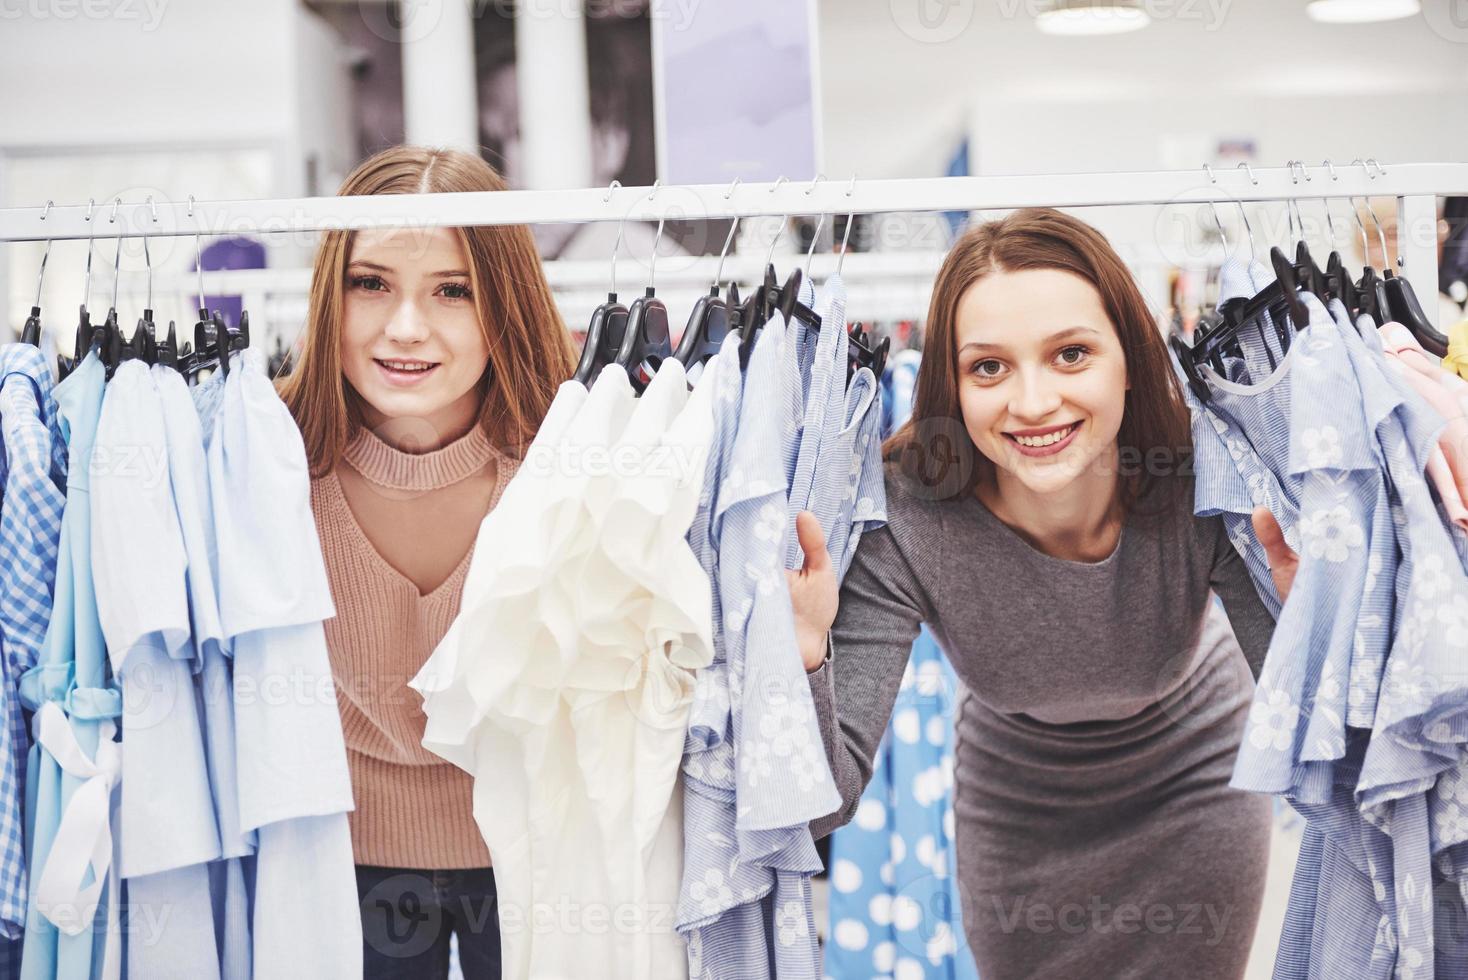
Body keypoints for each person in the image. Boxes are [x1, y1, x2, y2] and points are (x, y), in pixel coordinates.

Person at [786, 208, 1300, 978]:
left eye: (1070, 354)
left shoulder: (1198, 473)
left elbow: (1324, 759)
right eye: (988, 367)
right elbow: (818, 807)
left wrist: (1306, 615)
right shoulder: (905, 511)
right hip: (1016, 812)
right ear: (952, 385)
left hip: (1194, 785)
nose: (1031, 404)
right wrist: (804, 657)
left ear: (1129, 356)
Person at [277, 146, 578, 979]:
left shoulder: (575, 467)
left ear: (503, 305)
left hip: (541, 863)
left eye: (453, 290)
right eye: (370, 283)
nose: (405, 326)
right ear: (328, 296)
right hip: (335, 864)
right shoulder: (262, 467)